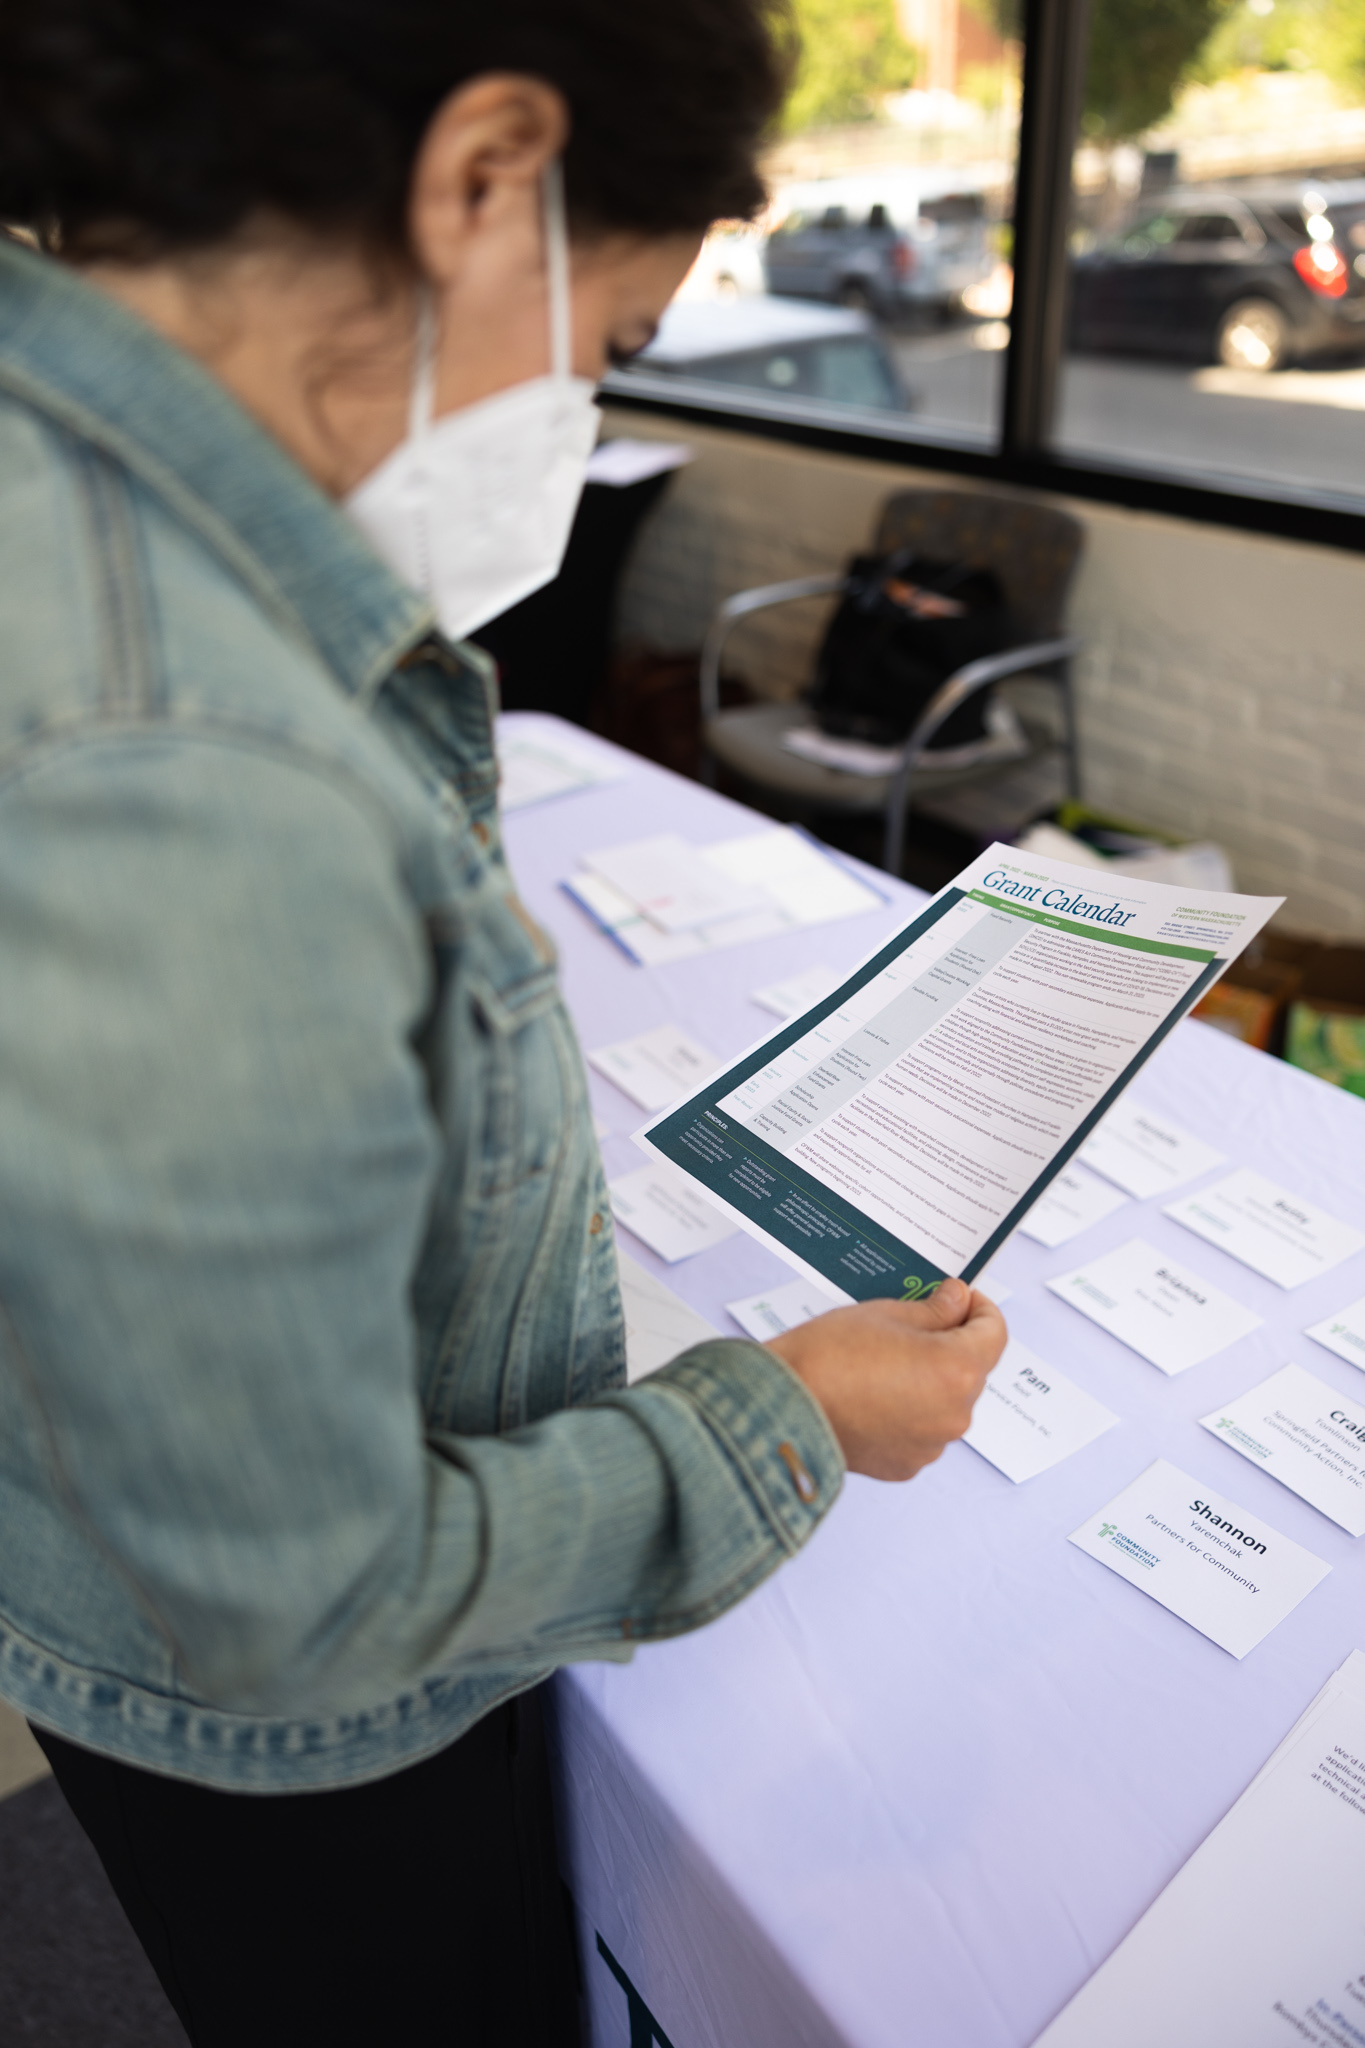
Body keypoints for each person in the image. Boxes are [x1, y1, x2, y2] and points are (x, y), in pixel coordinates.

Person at [0, 4, 1008, 2043]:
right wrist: (789, 1417)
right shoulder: (185, 751)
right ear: (479, 179)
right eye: (608, 339)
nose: (577, 403)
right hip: (296, 1736)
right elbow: (311, 1606)